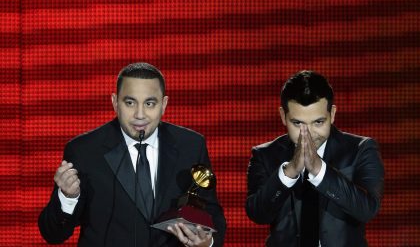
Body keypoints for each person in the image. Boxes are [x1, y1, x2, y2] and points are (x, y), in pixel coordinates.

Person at [38, 62, 226, 247]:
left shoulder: (191, 146)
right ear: (114, 102)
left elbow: (212, 215)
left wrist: (207, 242)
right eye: (130, 103)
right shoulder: (84, 150)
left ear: (164, 104)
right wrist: (68, 197)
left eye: (150, 103)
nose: (140, 114)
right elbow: (53, 234)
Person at [245, 70, 384, 247]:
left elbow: (367, 209)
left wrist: (319, 170)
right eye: (298, 123)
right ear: (283, 116)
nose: (308, 134)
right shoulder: (265, 155)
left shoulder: (360, 149)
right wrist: (290, 171)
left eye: (318, 122)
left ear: (332, 114)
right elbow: (257, 214)